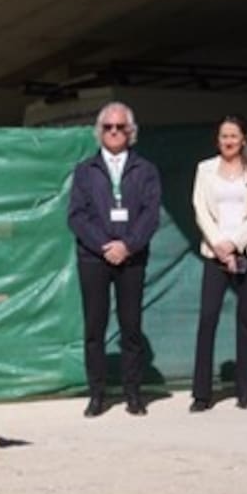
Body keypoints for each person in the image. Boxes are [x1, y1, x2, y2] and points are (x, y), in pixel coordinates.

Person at [67, 102, 162, 417]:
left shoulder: (145, 170)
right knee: (95, 327)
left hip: (131, 259)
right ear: (99, 131)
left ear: (131, 132)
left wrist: (128, 245)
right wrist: (105, 245)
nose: (114, 132)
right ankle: (97, 394)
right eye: (108, 127)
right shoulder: (85, 170)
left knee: (131, 326)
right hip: (94, 258)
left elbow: (150, 215)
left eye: (121, 127)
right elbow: (77, 216)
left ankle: (133, 394)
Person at [189, 116, 247, 412]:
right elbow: (200, 209)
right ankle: (201, 394)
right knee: (208, 318)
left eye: (234, 136)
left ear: (243, 139)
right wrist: (220, 245)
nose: (228, 141)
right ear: (217, 139)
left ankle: (245, 391)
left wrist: (236, 243)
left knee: (246, 320)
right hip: (215, 253)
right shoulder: (205, 169)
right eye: (224, 136)